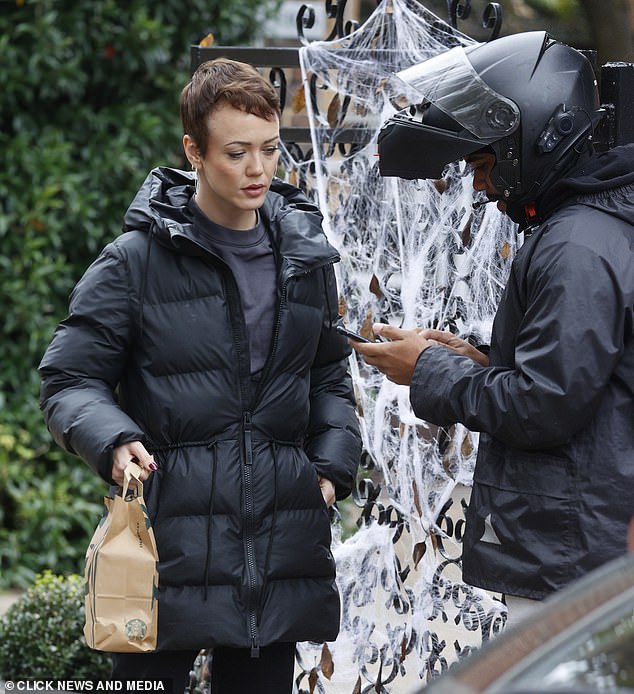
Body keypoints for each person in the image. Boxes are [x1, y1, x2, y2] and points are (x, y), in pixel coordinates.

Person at [39, 57, 362, 692]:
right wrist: (111, 439)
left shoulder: (305, 257)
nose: (258, 170)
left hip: (277, 546)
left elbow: (327, 374)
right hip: (166, 546)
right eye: (237, 153)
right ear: (194, 150)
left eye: (270, 150)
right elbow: (69, 378)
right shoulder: (134, 262)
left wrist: (327, 469)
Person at [351, 31, 634, 624]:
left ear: (535, 139)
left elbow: (545, 405)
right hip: (575, 543)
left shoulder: (577, 245)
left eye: (483, 164)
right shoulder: (587, 229)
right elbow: (583, 380)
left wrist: (428, 369)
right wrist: (477, 361)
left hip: (569, 554)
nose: (479, 185)